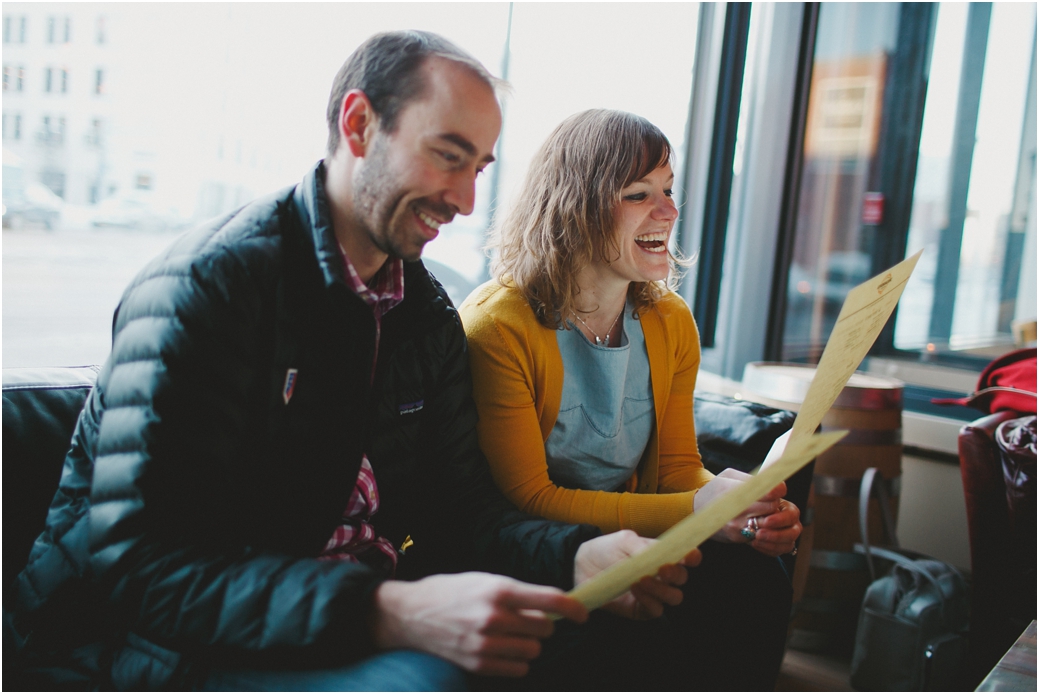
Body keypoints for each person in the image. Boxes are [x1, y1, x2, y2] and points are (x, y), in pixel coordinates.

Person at [11, 34, 697, 692]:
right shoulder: (208, 290)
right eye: (446, 157)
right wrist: (389, 611)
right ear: (359, 125)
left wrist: (573, 556)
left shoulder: (422, 314)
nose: (463, 202)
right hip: (138, 647)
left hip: (332, 619)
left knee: (572, 639)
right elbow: (140, 568)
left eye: (478, 169)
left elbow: (460, 507)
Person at [459, 109, 803, 690]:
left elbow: (674, 470)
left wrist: (741, 511)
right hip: (537, 550)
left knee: (755, 571)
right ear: (576, 205)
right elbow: (531, 498)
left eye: (669, 190)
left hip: (634, 533)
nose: (668, 212)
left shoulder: (670, 320)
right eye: (639, 194)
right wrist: (701, 511)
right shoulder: (498, 326)